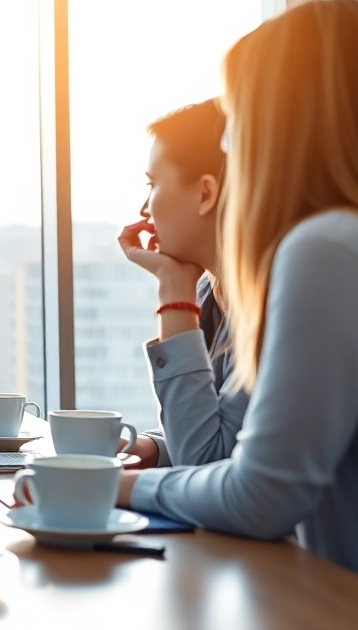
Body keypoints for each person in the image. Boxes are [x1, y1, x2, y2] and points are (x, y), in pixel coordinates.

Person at [118, 0, 358, 574]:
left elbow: (258, 495)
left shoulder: (324, 247)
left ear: (281, 125)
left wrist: (114, 491)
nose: (228, 143)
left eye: (242, 116)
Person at [117, 100, 248, 469]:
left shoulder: (272, 305)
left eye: (153, 184)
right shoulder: (212, 293)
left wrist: (174, 292)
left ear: (206, 193)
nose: (145, 209)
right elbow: (225, 439)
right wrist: (151, 448)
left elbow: (206, 461)